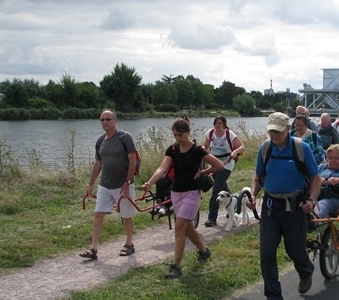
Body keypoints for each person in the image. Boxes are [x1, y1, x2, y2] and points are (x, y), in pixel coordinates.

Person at [245, 112, 321, 300]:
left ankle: (306, 271)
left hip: (295, 207)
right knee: (266, 253)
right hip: (270, 206)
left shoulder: (300, 148)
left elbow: (316, 178)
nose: (274, 136)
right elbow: (258, 177)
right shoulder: (265, 148)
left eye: (278, 132)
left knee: (294, 250)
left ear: (288, 129)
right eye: (271, 131)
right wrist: (252, 195)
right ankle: (273, 298)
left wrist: (312, 201)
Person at [142, 117, 224, 279]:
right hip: (176, 193)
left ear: (188, 132)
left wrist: (202, 172)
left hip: (192, 193)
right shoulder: (172, 150)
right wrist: (150, 182)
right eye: (175, 135)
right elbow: (162, 168)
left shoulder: (197, 150)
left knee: (179, 227)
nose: (178, 139)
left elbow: (218, 165)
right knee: (187, 227)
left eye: (181, 135)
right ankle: (204, 251)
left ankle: (176, 267)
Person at [80, 109, 138, 260]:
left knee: (126, 216)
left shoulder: (125, 137)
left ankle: (129, 244)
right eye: (102, 120)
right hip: (105, 184)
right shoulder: (100, 141)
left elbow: (132, 160)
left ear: (115, 121)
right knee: (98, 214)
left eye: (108, 119)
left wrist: (128, 182)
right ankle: (93, 249)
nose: (105, 122)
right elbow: (98, 163)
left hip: (123, 184)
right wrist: (91, 184)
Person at [202, 116, 246, 228]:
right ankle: (234, 207)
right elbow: (206, 146)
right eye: (215, 123)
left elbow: (242, 147)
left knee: (216, 190)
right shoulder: (210, 133)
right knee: (223, 187)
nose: (217, 125)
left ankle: (211, 218)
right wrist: (203, 152)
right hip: (213, 163)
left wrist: (235, 152)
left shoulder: (229, 134)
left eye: (220, 123)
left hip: (227, 164)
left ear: (224, 124)